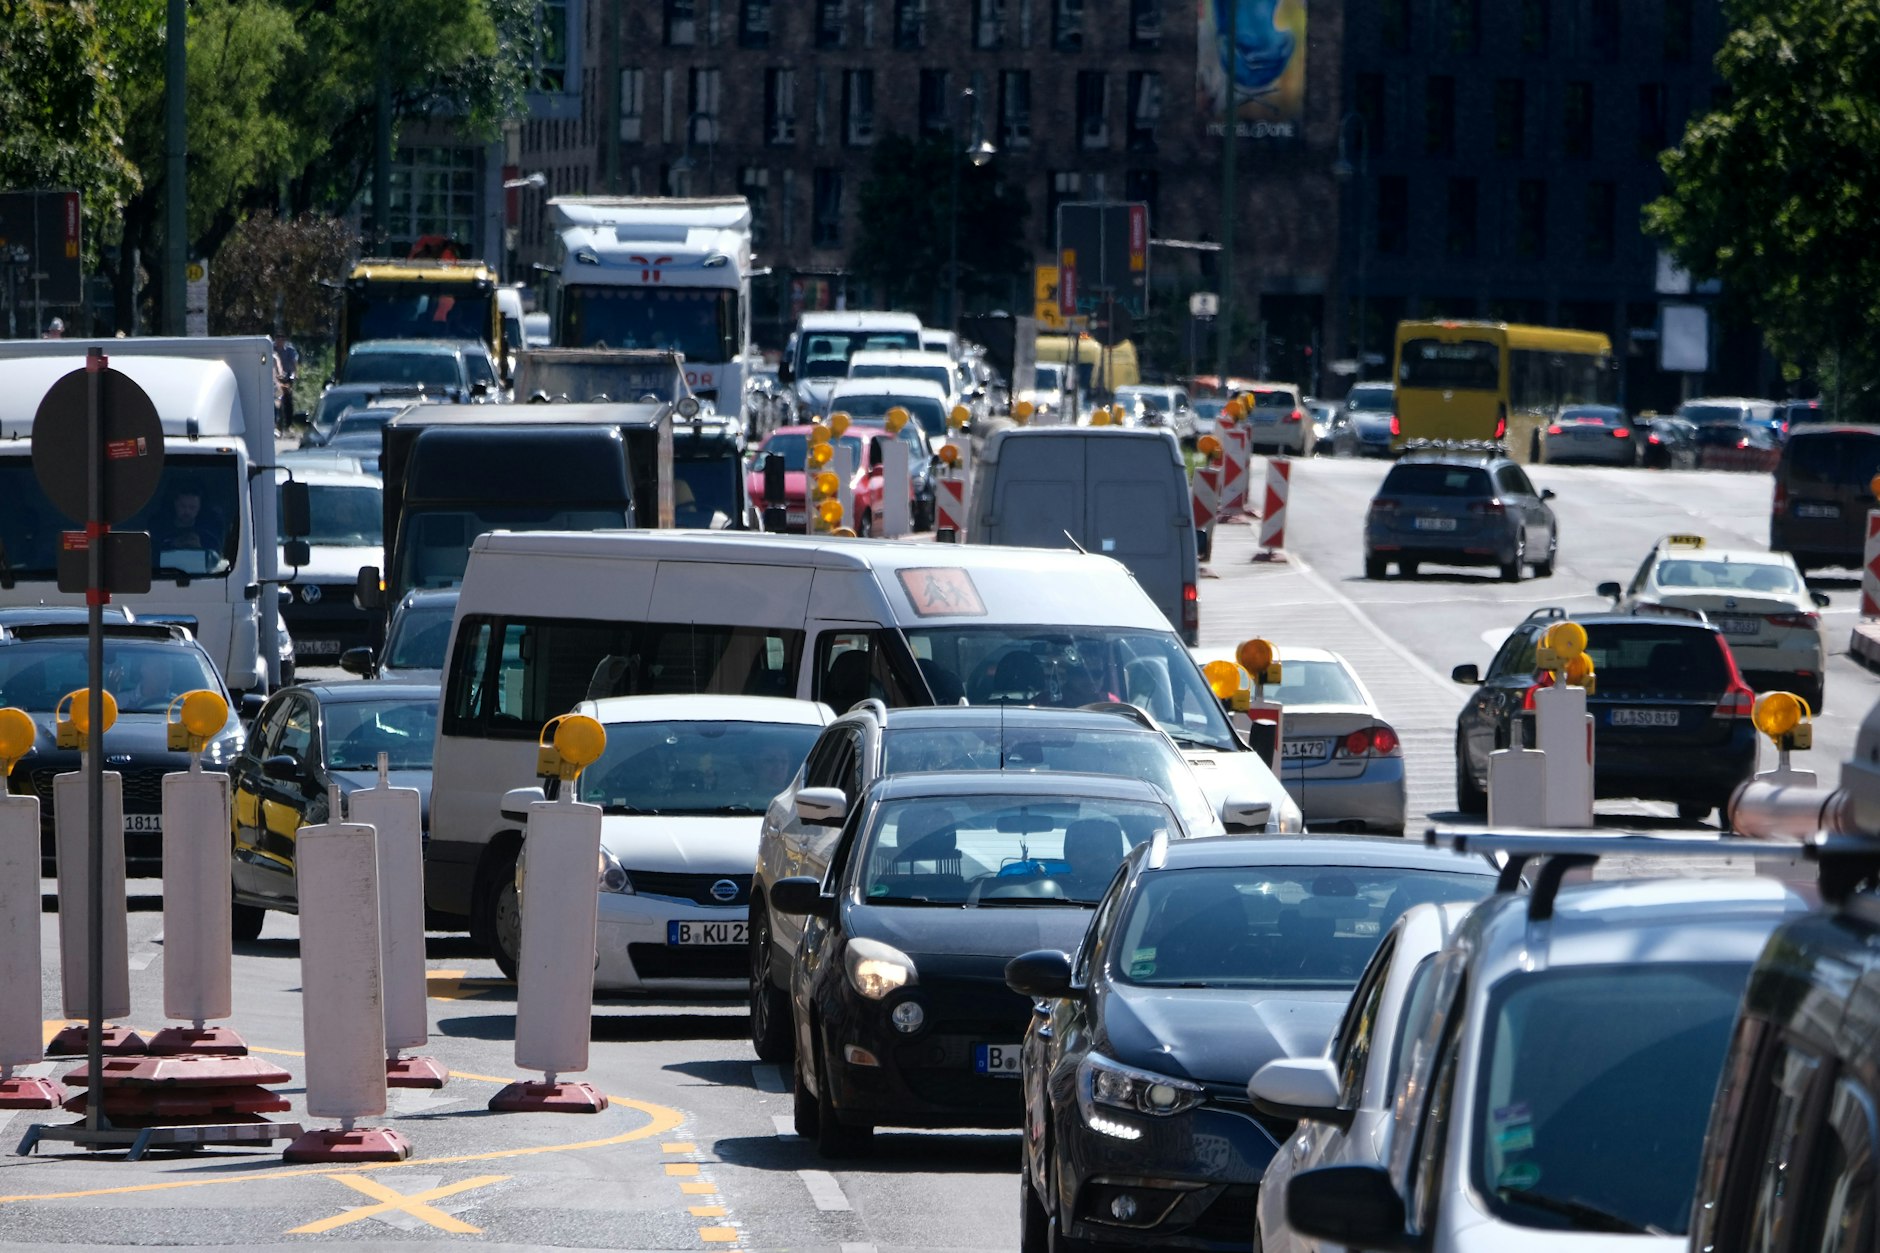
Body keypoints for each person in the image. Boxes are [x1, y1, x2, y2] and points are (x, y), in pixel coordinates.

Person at [155, 489, 221, 555]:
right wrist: (171, 545)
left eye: (192, 507)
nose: (187, 511)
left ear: (199, 507)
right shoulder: (158, 530)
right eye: (182, 506)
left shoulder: (208, 536)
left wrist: (200, 549)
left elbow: (215, 560)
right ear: (175, 504)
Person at [271, 331, 299, 433]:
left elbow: (294, 364)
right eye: (278, 337)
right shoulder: (271, 350)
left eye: (282, 338)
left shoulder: (289, 350)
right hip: (274, 377)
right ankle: (275, 423)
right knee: (274, 401)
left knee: (288, 400)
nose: (280, 340)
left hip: (286, 377)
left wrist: (294, 375)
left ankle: (288, 424)